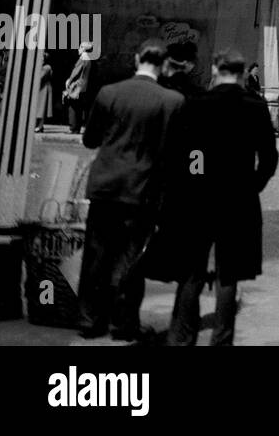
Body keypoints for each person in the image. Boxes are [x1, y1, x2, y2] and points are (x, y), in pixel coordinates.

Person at [147, 49, 278, 346]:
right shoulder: (255, 106)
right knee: (228, 275)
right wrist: (252, 186)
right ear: (243, 73)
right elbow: (268, 159)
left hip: (198, 198)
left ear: (217, 71)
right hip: (238, 199)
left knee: (191, 270)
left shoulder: (197, 104)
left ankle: (182, 336)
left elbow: (182, 153)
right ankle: (221, 339)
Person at [77, 38, 184, 342]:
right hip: (143, 190)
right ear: (164, 65)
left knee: (96, 256)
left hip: (105, 186)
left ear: (137, 59)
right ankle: (123, 324)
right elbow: (172, 155)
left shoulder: (109, 93)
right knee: (132, 260)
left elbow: (90, 140)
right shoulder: (172, 102)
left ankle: (89, 319)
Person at [63, 41, 96, 136]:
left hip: (76, 85)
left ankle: (73, 128)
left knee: (73, 106)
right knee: (79, 107)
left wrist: (69, 80)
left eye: (80, 47)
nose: (78, 49)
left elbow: (76, 71)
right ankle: (77, 128)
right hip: (83, 85)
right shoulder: (89, 59)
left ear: (84, 49)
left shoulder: (83, 58)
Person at [35, 59, 53, 131]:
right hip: (40, 89)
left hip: (44, 89)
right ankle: (39, 126)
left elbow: (39, 78)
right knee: (38, 109)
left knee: (41, 109)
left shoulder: (46, 67)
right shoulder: (41, 67)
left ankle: (40, 126)